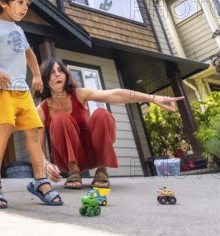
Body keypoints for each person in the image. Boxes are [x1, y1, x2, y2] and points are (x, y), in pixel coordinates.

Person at [0, 0, 62, 209]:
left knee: (33, 133)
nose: (25, 7)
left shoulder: (19, 30)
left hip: (21, 91)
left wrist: (37, 76)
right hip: (0, 89)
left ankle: (40, 181)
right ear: (3, 2)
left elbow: (30, 54)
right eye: (20, 2)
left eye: (27, 3)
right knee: (4, 129)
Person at [36, 58, 183, 189]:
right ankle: (73, 170)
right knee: (61, 118)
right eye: (52, 72)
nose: (57, 74)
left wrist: (152, 98)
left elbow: (115, 94)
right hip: (65, 160)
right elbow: (38, 145)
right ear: (44, 80)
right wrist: (46, 164)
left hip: (93, 153)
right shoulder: (42, 109)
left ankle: (101, 170)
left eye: (60, 70)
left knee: (101, 113)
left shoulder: (79, 94)